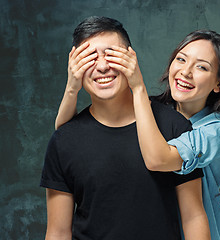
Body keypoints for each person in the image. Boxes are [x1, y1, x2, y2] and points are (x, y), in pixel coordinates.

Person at [55, 25, 220, 240]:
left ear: (218, 84)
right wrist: (72, 87)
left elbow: (158, 160)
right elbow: (67, 139)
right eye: (181, 59)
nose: (186, 72)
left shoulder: (217, 129)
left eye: (201, 67)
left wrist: (138, 87)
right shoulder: (152, 110)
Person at [40, 16, 210, 240]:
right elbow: (58, 232)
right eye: (90, 58)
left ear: (131, 58)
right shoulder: (63, 140)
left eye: (111, 55)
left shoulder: (174, 126)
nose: (102, 66)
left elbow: (193, 217)